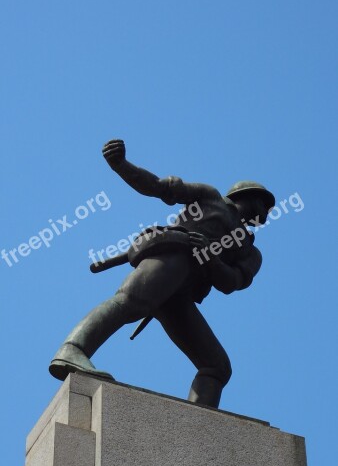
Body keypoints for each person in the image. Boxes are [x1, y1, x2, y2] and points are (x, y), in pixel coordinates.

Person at [49, 139, 275, 408]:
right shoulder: (210, 198)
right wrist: (121, 165)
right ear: (246, 197)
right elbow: (158, 187)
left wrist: (212, 259)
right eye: (264, 204)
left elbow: (233, 282)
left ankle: (199, 420)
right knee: (130, 303)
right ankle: (73, 349)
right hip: (173, 259)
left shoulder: (250, 252)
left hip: (183, 293)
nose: (267, 212)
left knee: (217, 366)